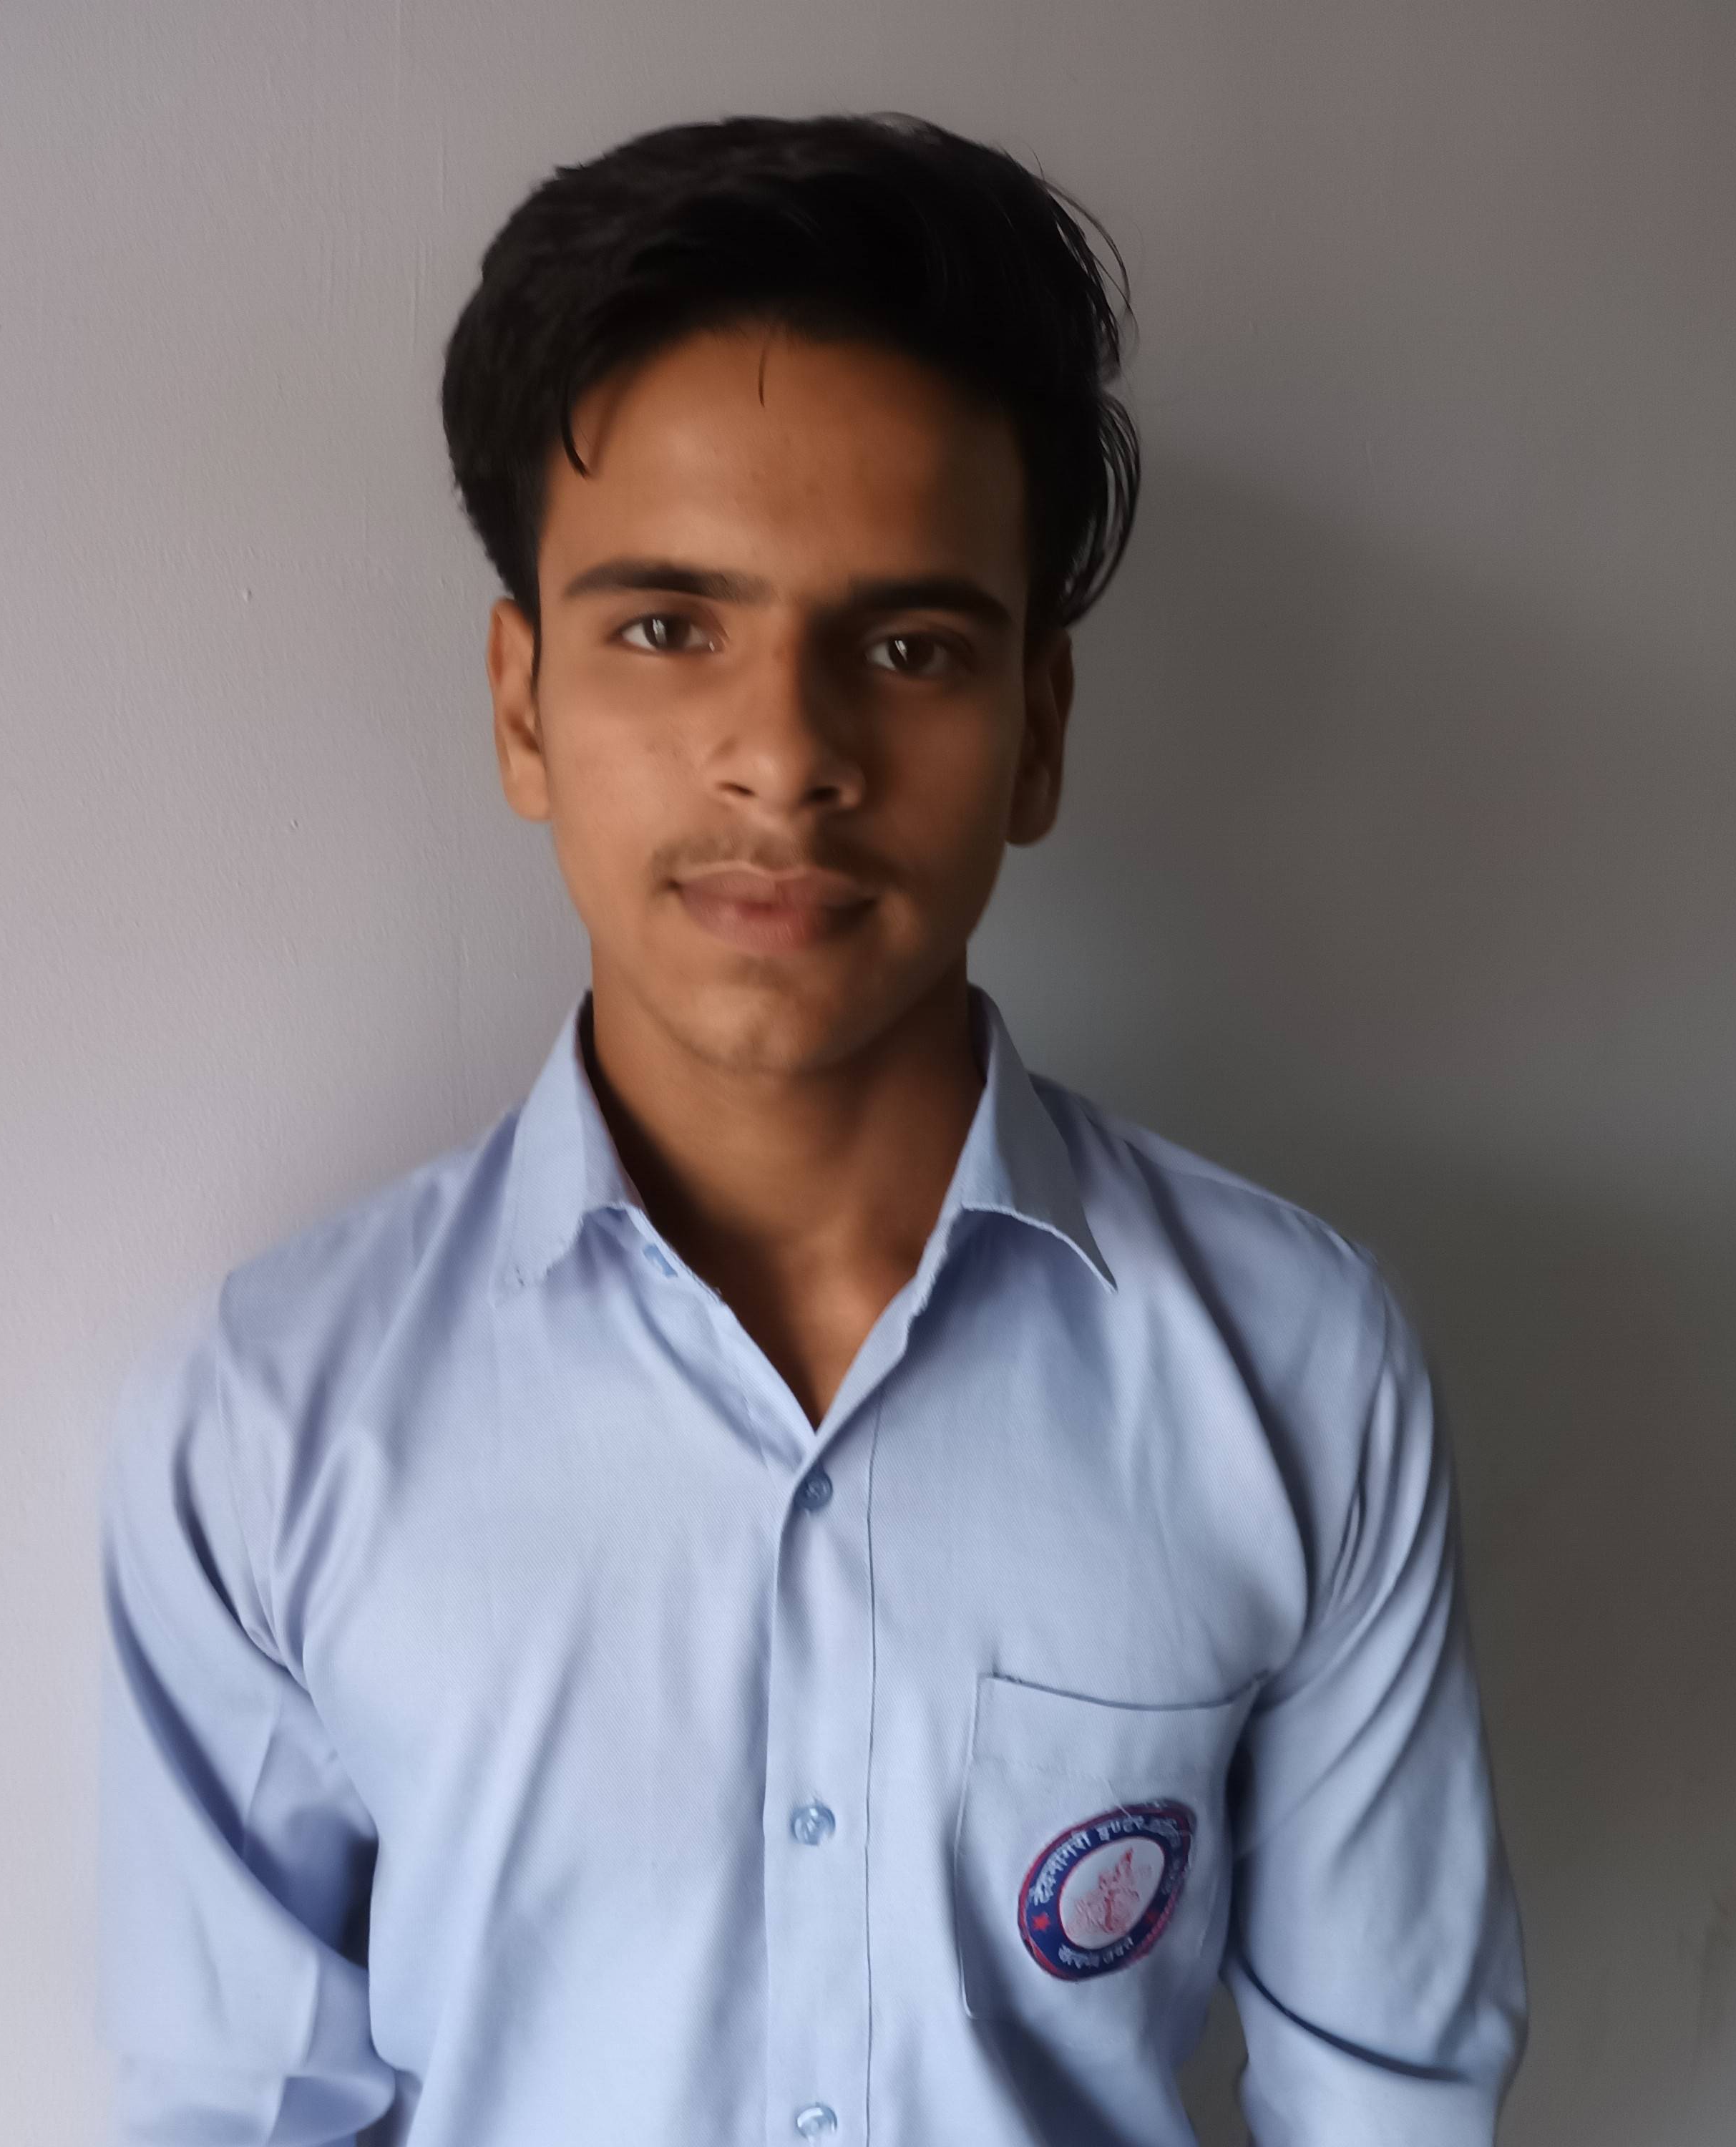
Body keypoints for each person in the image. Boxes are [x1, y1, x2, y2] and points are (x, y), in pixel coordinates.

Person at [97, 111, 1527, 2147]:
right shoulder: (272, 1419)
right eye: (666, 627)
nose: (784, 754)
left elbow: (1390, 2107)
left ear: (1037, 729)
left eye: (910, 647)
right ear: (522, 702)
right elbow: (238, 2116)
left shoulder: (1297, 1370)